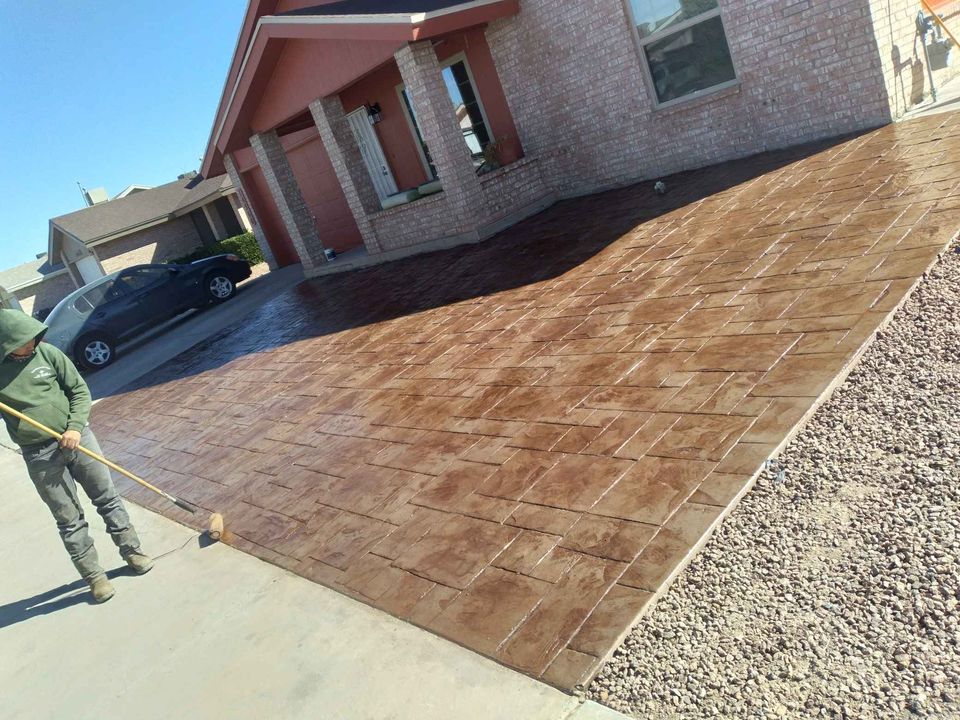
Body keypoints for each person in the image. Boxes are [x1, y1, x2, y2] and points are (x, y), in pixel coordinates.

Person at [0, 309, 152, 603]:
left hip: (78, 439)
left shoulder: (47, 353)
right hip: (38, 453)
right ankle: (95, 577)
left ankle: (133, 552)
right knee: (69, 519)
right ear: (7, 342)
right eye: (24, 340)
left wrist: (74, 428)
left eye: (33, 337)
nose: (31, 343)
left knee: (107, 499)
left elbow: (79, 391)